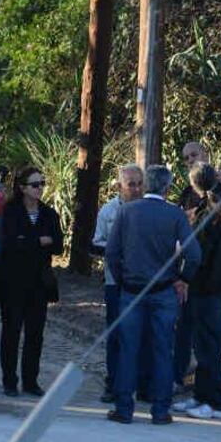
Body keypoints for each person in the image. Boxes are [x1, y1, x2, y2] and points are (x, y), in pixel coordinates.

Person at [105, 165, 201, 425]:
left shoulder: (126, 212)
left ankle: (124, 408)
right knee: (162, 350)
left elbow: (111, 253)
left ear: (146, 185)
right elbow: (194, 254)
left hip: (131, 291)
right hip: (163, 291)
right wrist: (182, 278)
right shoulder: (175, 215)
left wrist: (123, 278)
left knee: (128, 349)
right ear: (167, 188)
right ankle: (160, 410)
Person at [172, 164, 221, 419]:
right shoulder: (218, 206)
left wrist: (184, 277)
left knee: (209, 345)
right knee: (202, 343)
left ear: (195, 184)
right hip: (209, 286)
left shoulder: (214, 214)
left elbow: (198, 256)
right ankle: (201, 395)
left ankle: (217, 403)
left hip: (209, 286)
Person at [0, 166, 63, 398]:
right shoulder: (11, 211)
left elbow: (58, 245)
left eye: (42, 183)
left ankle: (31, 380)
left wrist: (29, 241)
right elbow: (9, 243)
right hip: (13, 281)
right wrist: (38, 240)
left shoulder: (49, 214)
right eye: (35, 184)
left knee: (35, 333)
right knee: (11, 331)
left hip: (39, 283)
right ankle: (9, 380)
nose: (40, 188)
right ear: (22, 187)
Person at [92, 164, 144, 403]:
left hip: (145, 282)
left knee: (144, 334)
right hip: (116, 282)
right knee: (115, 333)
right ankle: (113, 383)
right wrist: (116, 251)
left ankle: (143, 383)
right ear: (120, 186)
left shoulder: (150, 210)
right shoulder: (108, 211)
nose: (135, 188)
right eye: (130, 184)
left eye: (139, 183)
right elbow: (97, 242)